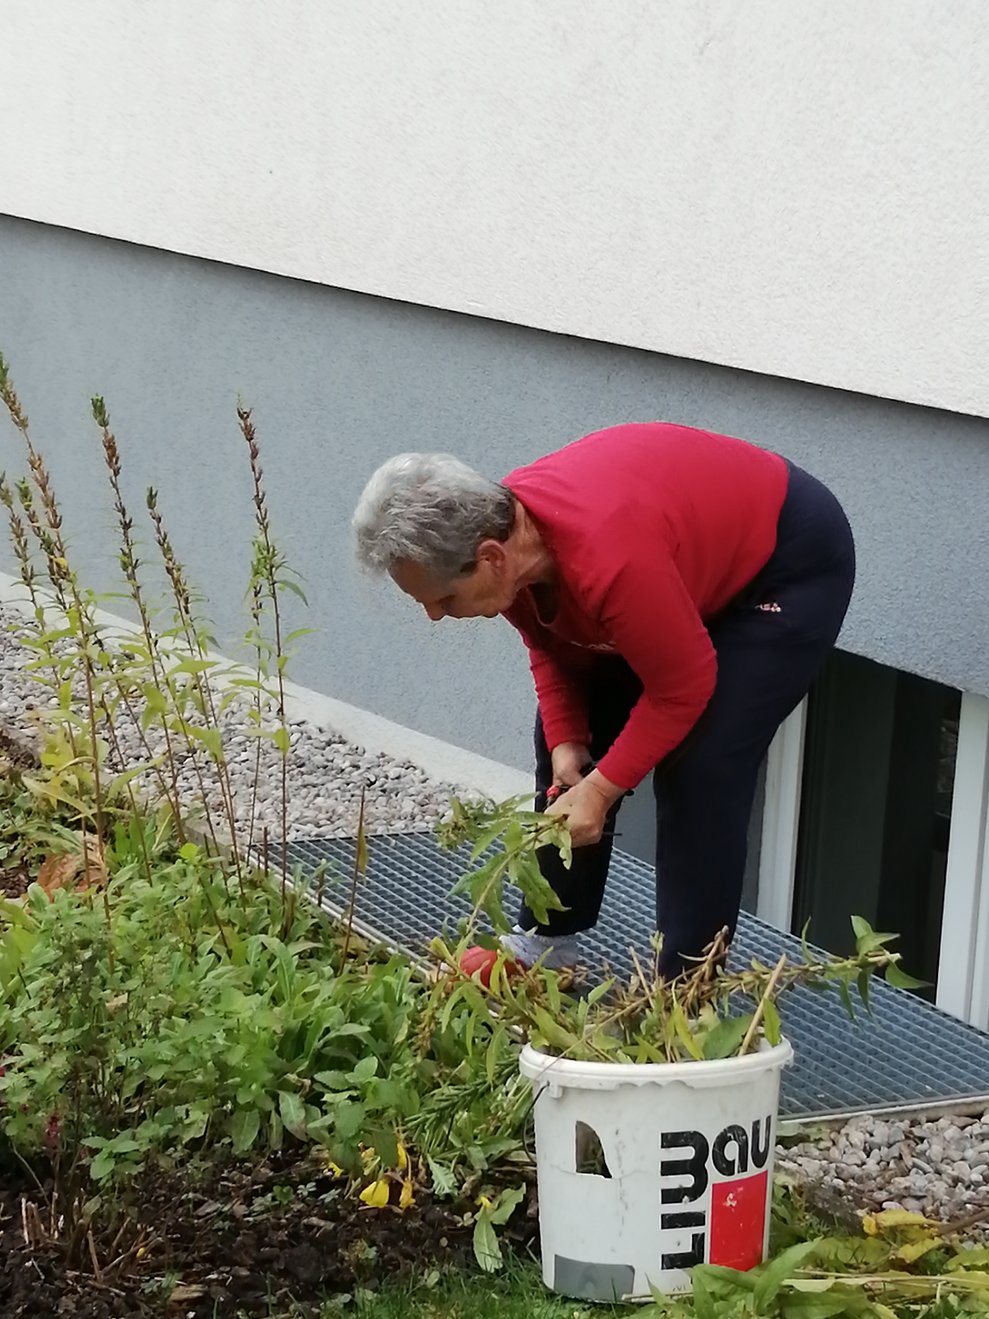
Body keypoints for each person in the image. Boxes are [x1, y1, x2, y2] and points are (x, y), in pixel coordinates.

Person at [352, 423, 855, 978]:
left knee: (702, 763)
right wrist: (571, 744)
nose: (435, 616)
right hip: (675, 563)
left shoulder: (608, 559)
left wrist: (604, 788)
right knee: (566, 738)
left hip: (785, 567)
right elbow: (551, 644)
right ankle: (546, 950)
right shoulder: (507, 538)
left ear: (491, 559)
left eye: (444, 598)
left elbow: (683, 688)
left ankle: (686, 994)